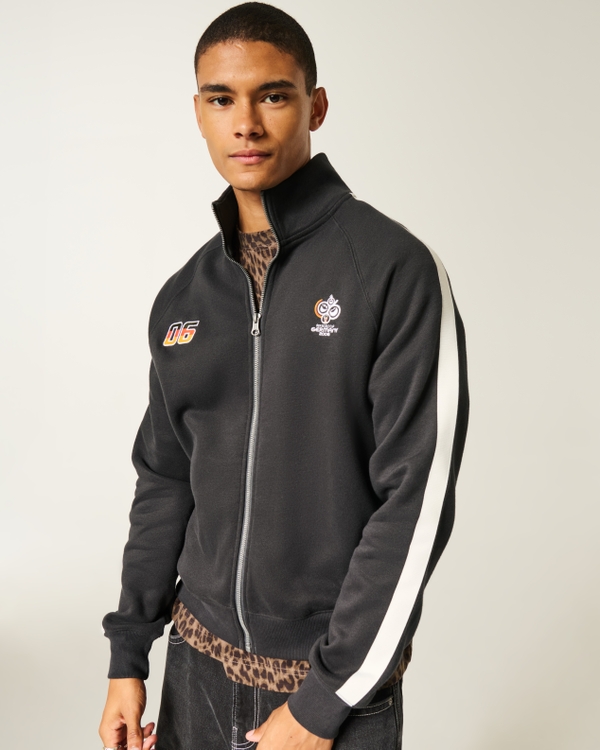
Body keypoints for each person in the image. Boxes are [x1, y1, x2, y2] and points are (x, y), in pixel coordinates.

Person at [99, 3, 469, 749]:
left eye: (272, 95)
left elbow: (415, 499)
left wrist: (324, 702)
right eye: (221, 99)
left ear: (315, 106)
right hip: (194, 671)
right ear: (199, 114)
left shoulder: (392, 271)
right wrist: (128, 653)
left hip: (331, 685)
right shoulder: (184, 297)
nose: (246, 124)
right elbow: (165, 480)